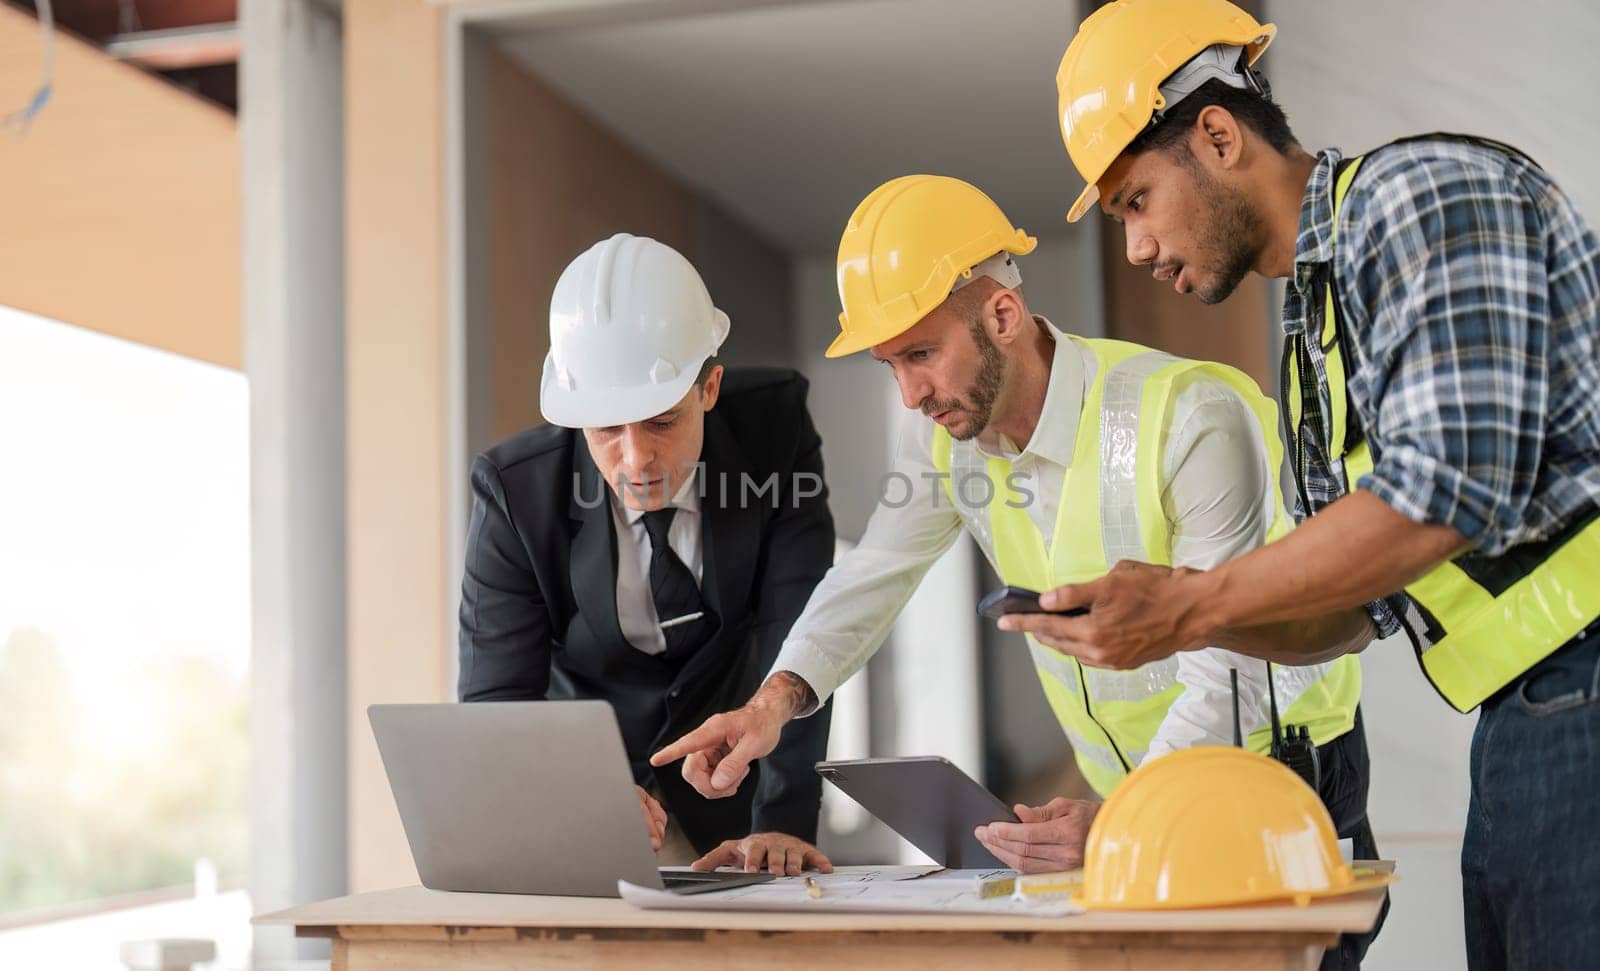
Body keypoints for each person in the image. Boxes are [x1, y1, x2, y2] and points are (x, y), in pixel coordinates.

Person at [651, 178, 1380, 964]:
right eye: (889, 363)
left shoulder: (1189, 417)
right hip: (1128, 798)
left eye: (922, 353)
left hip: (1269, 777)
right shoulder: (946, 445)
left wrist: (1120, 818)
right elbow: (874, 573)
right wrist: (772, 705)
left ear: (1001, 314)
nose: (910, 394)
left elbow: (1228, 667)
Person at [1033, 2, 1600, 967]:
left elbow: (1447, 487)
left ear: (1217, 134)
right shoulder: (1315, 320)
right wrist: (1178, 622)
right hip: (1521, 717)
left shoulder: (1423, 196)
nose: (1134, 247)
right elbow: (1363, 604)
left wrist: (1190, 602)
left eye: (1136, 200)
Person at [458, 233, 835, 876]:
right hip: (579, 808)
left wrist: (782, 821)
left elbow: (798, 634)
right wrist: (578, 788)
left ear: (708, 387)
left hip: (734, 805)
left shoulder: (773, 430)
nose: (635, 460)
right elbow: (497, 702)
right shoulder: (515, 491)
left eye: (661, 420)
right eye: (606, 429)